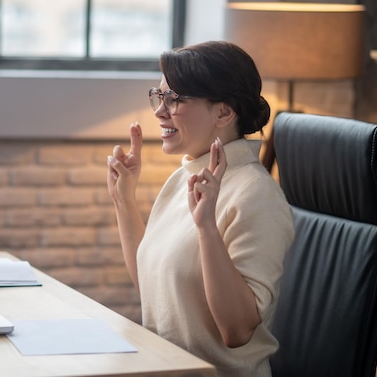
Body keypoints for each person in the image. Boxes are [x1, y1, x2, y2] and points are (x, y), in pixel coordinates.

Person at [106, 40, 295, 377]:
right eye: (159, 96)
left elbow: (237, 332)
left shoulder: (257, 196)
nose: (159, 110)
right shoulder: (184, 178)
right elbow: (153, 288)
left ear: (223, 112)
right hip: (165, 368)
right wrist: (124, 199)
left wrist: (207, 228)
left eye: (175, 99)